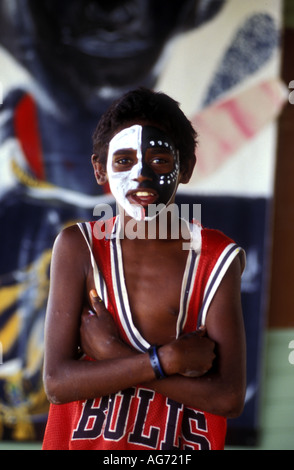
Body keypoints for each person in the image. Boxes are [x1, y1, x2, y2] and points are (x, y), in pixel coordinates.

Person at [42, 88, 246, 450]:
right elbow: (57, 384)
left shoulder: (213, 256)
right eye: (123, 161)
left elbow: (227, 398)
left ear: (186, 168)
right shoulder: (79, 247)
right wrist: (166, 360)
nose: (141, 176)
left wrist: (113, 354)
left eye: (160, 160)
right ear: (99, 169)